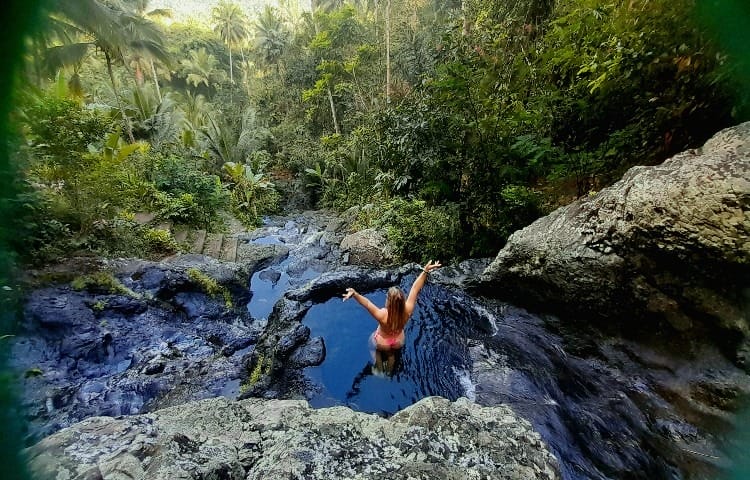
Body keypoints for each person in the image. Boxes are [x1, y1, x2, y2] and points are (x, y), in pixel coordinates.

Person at [342, 260, 442, 352]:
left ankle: (378, 365)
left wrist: (355, 294)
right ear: (402, 300)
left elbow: (367, 304)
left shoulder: (382, 315)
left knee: (371, 344)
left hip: (383, 342)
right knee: (392, 356)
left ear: (388, 302)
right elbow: (415, 288)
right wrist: (425, 271)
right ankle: (391, 361)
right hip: (399, 341)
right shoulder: (408, 310)